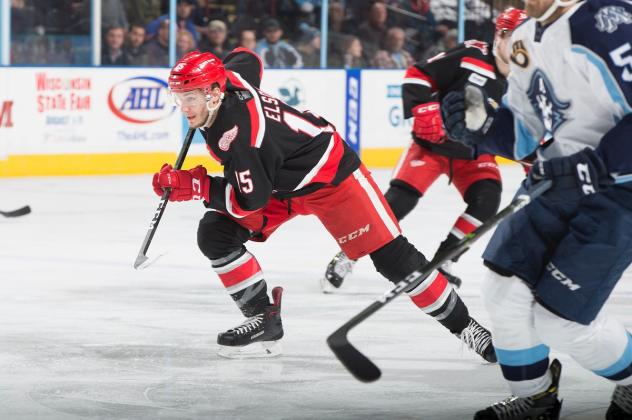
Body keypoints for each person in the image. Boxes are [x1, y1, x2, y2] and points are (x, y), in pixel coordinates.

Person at [151, 48, 497, 362]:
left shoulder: (244, 137)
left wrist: (197, 185)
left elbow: (249, 202)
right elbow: (247, 58)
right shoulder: (229, 80)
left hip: (330, 177)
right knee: (215, 233)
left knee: (394, 258)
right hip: (279, 180)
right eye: (178, 97)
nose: (184, 107)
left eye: (191, 97)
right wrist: (212, 68)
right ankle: (263, 318)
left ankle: (467, 328)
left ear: (214, 94)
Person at [440, 0, 632, 418]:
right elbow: (525, 133)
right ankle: (537, 398)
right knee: (502, 289)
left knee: (561, 321)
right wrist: (479, 130)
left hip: (620, 193)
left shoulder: (611, 22)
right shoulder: (526, 37)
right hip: (556, 181)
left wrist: (597, 164)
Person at [322, 8, 527, 292]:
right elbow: (417, 74)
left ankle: (445, 261)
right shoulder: (471, 54)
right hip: (431, 147)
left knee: (487, 201)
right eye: (519, 37)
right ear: (501, 35)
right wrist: (424, 108)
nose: (524, 46)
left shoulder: (529, 76)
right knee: (397, 203)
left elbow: (525, 127)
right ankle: (349, 254)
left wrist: (533, 163)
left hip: (475, 153)